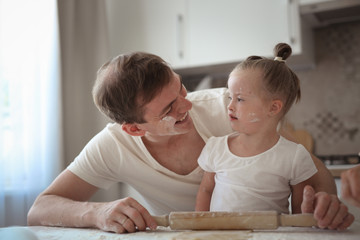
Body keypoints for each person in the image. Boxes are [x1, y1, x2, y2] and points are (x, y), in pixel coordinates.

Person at [27, 52, 354, 233]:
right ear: (134, 130)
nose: (187, 105)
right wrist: (97, 213)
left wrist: (324, 201)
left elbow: (307, 169)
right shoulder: (111, 146)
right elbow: (41, 208)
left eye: (180, 89)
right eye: (169, 109)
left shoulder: (226, 108)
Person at [196, 43, 318, 216]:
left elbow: (300, 215)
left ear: (273, 108)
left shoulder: (294, 156)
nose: (229, 106)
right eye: (230, 97)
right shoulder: (216, 148)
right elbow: (205, 191)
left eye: (240, 99)